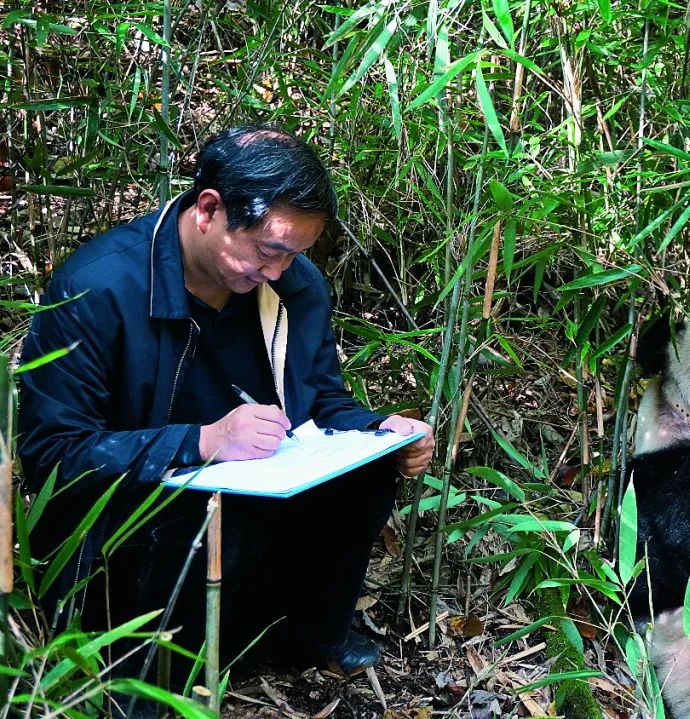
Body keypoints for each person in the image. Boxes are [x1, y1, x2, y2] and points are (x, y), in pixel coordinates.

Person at [17, 125, 435, 683]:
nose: (278, 271)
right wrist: (202, 442)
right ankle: (154, 675)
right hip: (131, 529)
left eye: (295, 254)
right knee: (207, 510)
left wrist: (380, 430)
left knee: (367, 472)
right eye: (268, 250)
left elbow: (320, 402)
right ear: (210, 209)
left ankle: (301, 635)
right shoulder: (98, 288)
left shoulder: (293, 285)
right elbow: (53, 455)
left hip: (254, 500)